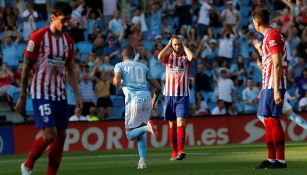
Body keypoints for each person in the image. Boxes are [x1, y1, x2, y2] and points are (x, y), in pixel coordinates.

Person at [15, 2, 82, 175]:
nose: (66, 23)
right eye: (63, 19)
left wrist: (78, 95)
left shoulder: (68, 42)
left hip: (60, 94)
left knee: (62, 136)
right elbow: (26, 68)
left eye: (68, 20)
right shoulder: (37, 37)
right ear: (53, 16)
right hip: (41, 92)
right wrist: (22, 95)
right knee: (50, 134)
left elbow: (70, 70)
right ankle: (28, 165)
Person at [113, 46, 161, 169]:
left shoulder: (120, 65)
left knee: (130, 134)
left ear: (123, 56)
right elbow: (158, 87)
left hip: (134, 100)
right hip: (146, 98)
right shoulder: (143, 66)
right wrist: (152, 102)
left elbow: (117, 82)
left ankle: (147, 127)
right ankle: (142, 161)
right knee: (140, 133)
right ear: (134, 56)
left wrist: (116, 81)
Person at [251, 8, 288, 169]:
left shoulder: (272, 35)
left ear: (257, 22)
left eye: (253, 21)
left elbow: (278, 63)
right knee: (267, 120)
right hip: (268, 84)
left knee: (273, 120)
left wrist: (275, 89)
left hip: (274, 84)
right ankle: (271, 158)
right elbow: (270, 63)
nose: (253, 24)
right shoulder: (267, 37)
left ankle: (280, 160)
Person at [157, 36, 194, 161]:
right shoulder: (168, 58)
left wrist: (184, 45)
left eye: (179, 44)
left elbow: (191, 57)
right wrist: (168, 45)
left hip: (182, 95)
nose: (177, 46)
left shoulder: (184, 59)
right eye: (175, 44)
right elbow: (159, 57)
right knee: (171, 124)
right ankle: (174, 151)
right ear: (172, 45)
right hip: (169, 95)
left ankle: (181, 150)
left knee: (181, 122)